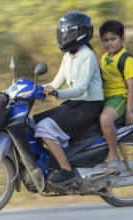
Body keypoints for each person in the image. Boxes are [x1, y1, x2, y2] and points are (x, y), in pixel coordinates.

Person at [30, 12, 104, 187]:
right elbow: (56, 82)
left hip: (88, 107)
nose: (65, 37)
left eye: (69, 34)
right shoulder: (68, 56)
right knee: (32, 122)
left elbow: (81, 89)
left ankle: (67, 170)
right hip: (75, 103)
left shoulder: (88, 56)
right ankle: (53, 159)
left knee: (44, 127)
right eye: (63, 34)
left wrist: (56, 94)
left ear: (81, 33)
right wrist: (35, 90)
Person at [99, 20, 133, 174]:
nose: (109, 43)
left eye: (113, 39)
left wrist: (129, 111)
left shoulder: (127, 60)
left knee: (105, 119)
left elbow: (132, 86)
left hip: (119, 98)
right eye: (105, 40)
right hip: (104, 98)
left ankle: (114, 156)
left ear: (122, 39)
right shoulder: (104, 58)